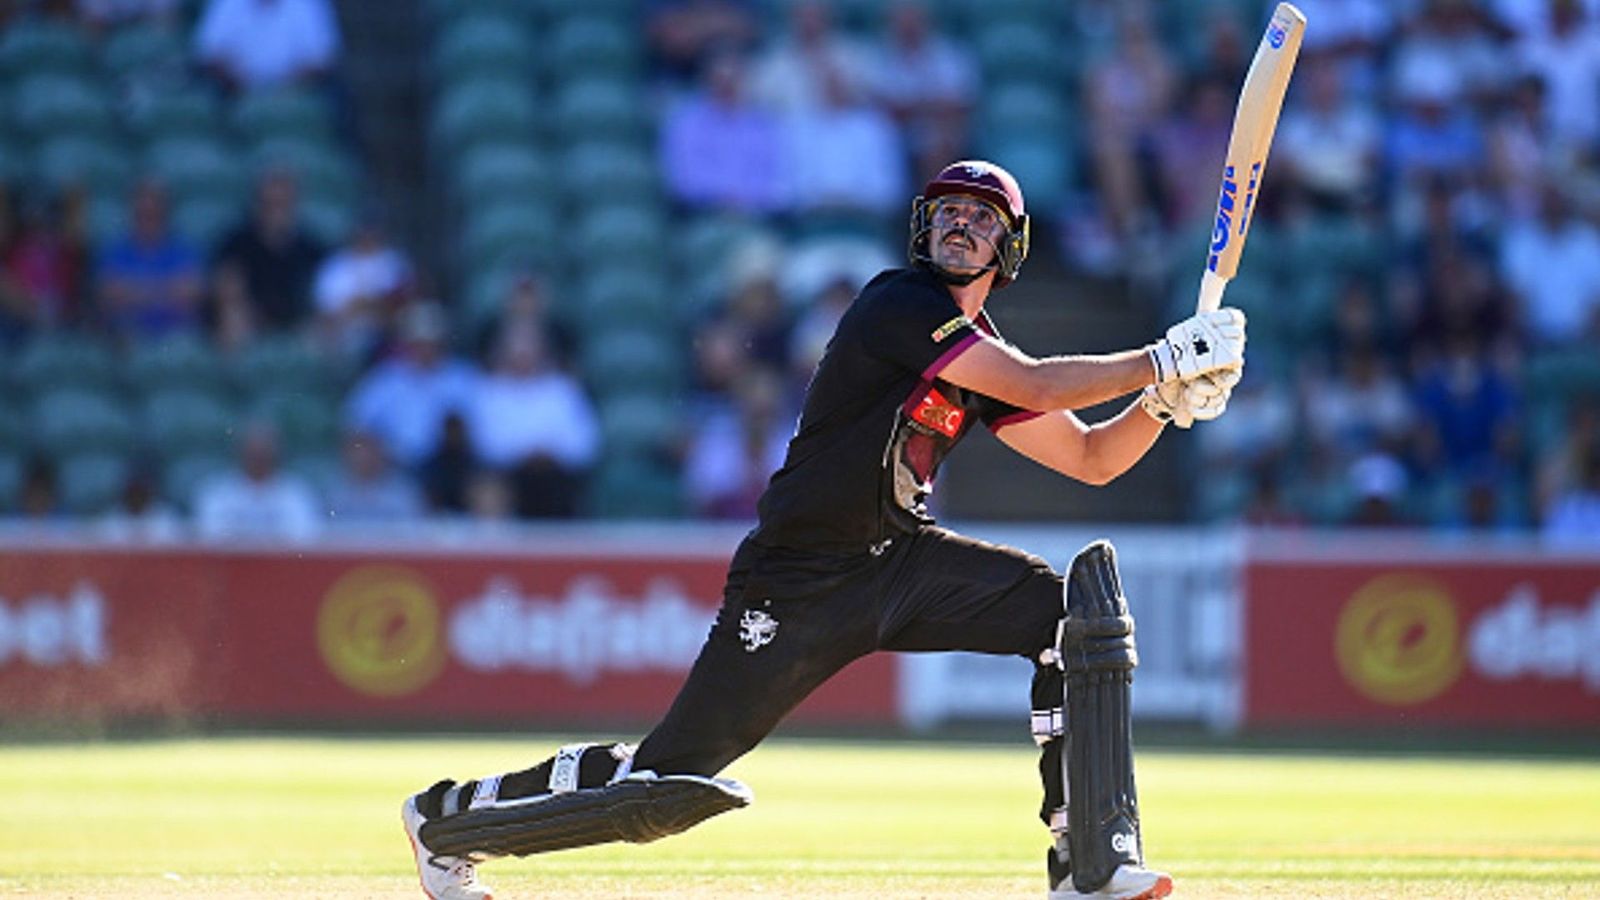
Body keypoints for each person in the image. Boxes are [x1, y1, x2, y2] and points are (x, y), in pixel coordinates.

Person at [399, 161, 1247, 900]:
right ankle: (446, 821)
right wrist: (1161, 358)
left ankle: (1088, 866)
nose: (962, 221)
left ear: (1009, 247)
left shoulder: (981, 348)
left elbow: (1095, 460)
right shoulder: (899, 304)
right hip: (798, 579)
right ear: (924, 225)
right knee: (663, 785)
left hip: (900, 562)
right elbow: (1032, 379)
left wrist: (1163, 405)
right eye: (949, 208)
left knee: (1073, 619)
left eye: (983, 217)